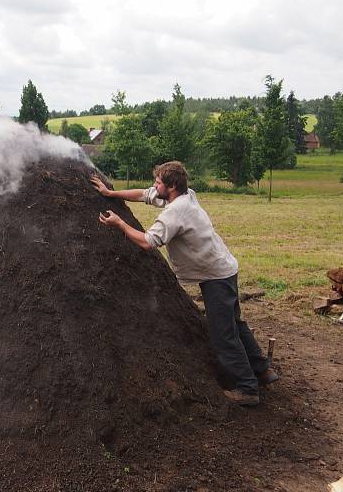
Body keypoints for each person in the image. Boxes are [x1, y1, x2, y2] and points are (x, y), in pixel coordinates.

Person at [91, 161, 278, 406]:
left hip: (215, 277)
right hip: (223, 268)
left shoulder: (175, 212)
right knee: (235, 323)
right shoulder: (184, 196)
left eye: (158, 182)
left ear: (171, 186)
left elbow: (148, 241)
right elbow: (143, 194)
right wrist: (110, 193)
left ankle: (247, 389)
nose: (154, 185)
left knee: (223, 334)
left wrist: (120, 224)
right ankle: (263, 370)